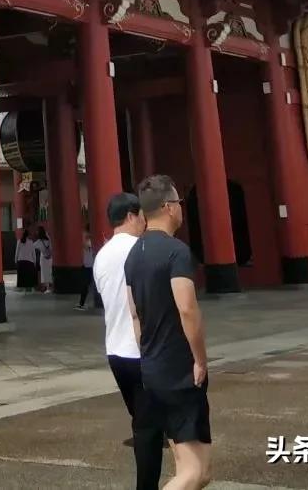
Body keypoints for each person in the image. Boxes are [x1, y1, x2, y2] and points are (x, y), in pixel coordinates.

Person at [126, 175, 211, 490]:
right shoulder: (177, 252)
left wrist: (148, 353)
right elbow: (187, 308)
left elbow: (134, 314)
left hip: (153, 368)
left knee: (198, 471)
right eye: (178, 203)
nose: (180, 209)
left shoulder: (134, 255)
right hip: (180, 369)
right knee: (193, 473)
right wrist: (200, 359)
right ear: (167, 207)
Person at [92, 191, 147, 462]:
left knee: (141, 418)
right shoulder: (140, 249)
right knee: (157, 426)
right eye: (141, 216)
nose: (144, 223)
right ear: (130, 216)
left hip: (115, 349)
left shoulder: (101, 256)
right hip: (143, 348)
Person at [77, 231, 96, 309]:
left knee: (85, 286)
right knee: (85, 286)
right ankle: (82, 303)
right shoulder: (89, 243)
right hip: (88, 267)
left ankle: (82, 304)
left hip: (89, 268)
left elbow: (85, 245)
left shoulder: (89, 243)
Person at [35, 225, 54, 292]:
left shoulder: (38, 242)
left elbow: (33, 246)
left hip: (43, 258)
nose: (36, 232)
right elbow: (52, 248)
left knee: (44, 273)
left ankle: (45, 287)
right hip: (50, 258)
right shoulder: (48, 239)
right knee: (49, 272)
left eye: (37, 231)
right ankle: (50, 286)